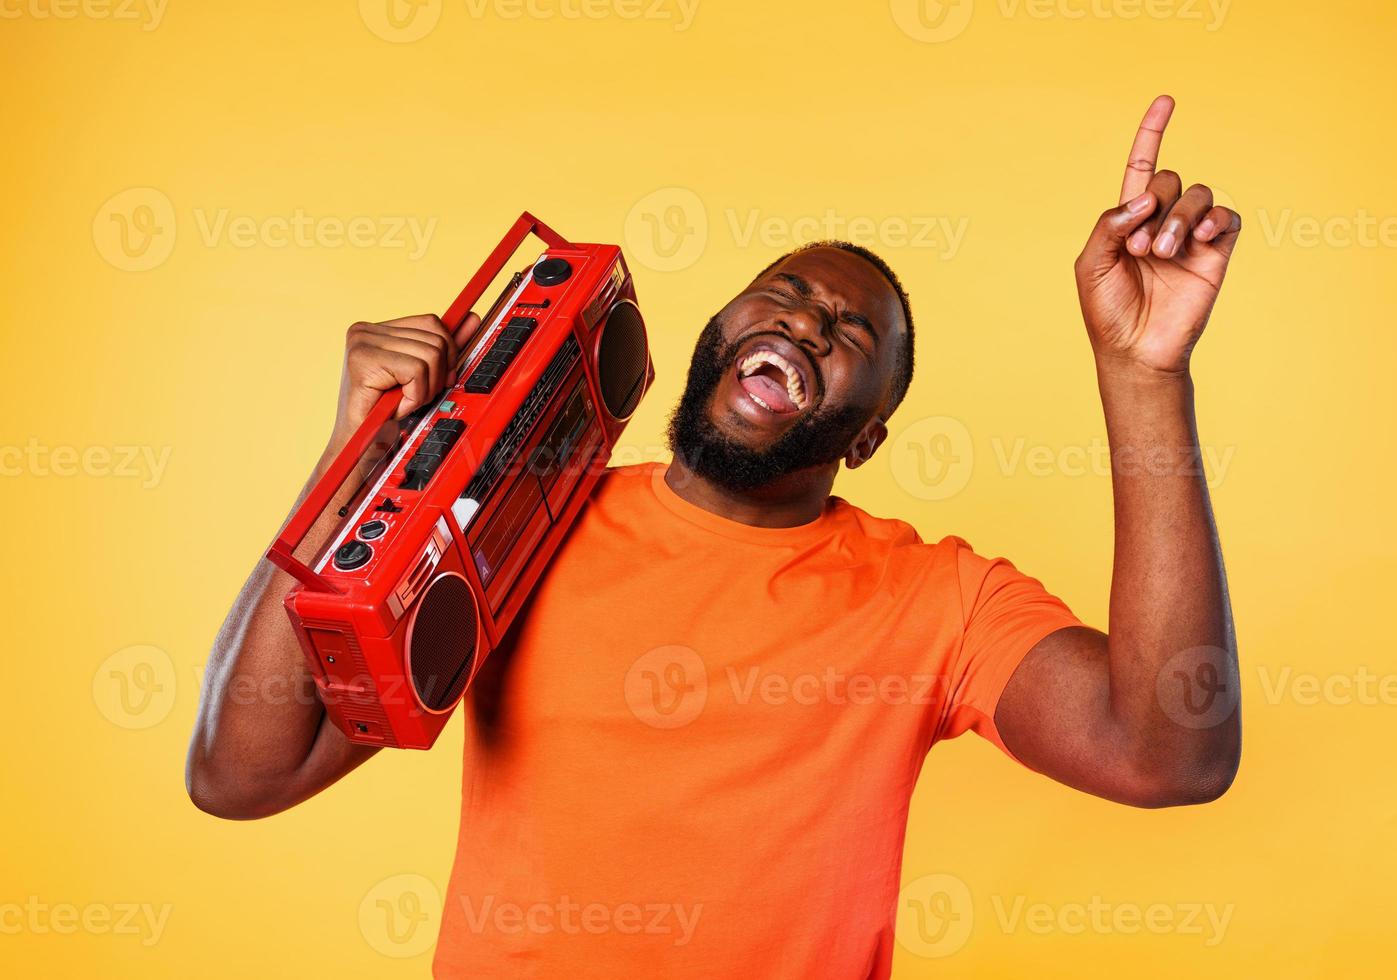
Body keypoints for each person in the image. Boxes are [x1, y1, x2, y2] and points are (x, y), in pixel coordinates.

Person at [187, 95, 1242, 978]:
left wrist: (1143, 376)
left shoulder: (937, 598)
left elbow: (1164, 754)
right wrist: (357, 455)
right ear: (718, 333)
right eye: (781, 296)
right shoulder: (525, 518)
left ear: (866, 436)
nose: (804, 322)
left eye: (848, 332)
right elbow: (243, 774)